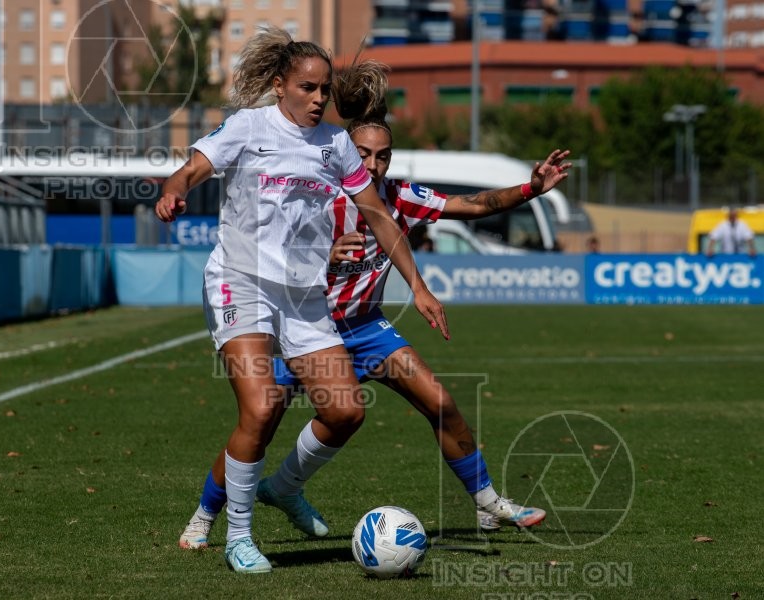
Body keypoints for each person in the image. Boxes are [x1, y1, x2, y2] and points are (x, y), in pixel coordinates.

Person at [178, 58, 572, 552]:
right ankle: (205, 515)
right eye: (362, 153)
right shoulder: (316, 187)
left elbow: (470, 205)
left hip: (364, 328)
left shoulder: (396, 198)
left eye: (381, 156)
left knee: (441, 401)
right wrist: (323, 254)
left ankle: (487, 501)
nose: (371, 165)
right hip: (302, 321)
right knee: (260, 419)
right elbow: (272, 247)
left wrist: (530, 189)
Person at [154, 27, 447, 574]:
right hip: (240, 282)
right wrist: (174, 189)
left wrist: (419, 285)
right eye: (308, 88)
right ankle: (239, 537)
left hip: (304, 297)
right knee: (263, 405)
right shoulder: (247, 127)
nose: (318, 99)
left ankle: (284, 488)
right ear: (278, 85)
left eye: (324, 90)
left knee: (345, 410)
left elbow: (380, 215)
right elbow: (194, 166)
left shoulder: (335, 143)